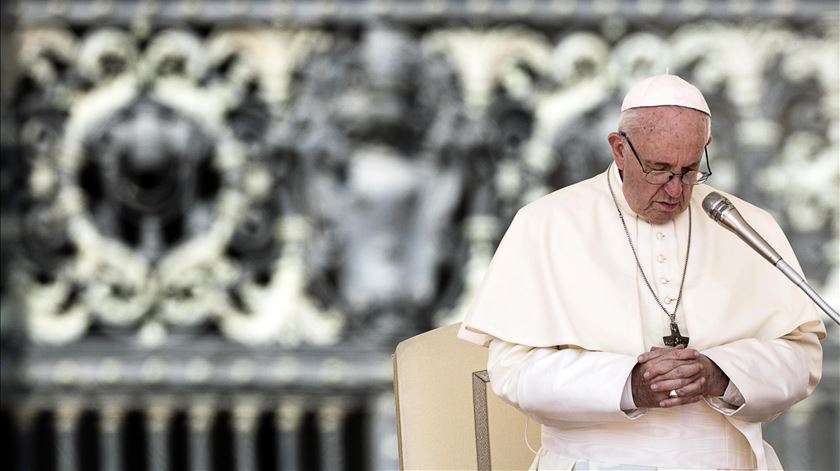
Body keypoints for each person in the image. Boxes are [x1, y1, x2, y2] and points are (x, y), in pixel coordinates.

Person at [458, 74, 825, 470]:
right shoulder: (545, 222)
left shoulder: (746, 225)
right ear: (619, 150)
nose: (675, 190)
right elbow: (513, 372)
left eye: (689, 170)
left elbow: (801, 358)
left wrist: (721, 373)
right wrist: (628, 383)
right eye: (658, 169)